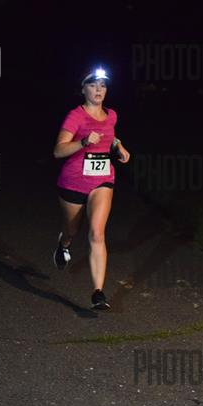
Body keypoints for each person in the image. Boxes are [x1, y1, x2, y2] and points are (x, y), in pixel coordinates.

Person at [52, 67, 130, 310]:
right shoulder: (75, 116)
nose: (99, 90)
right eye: (93, 85)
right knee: (71, 230)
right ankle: (63, 245)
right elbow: (58, 150)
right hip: (73, 181)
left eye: (103, 86)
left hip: (102, 180)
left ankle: (98, 293)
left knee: (97, 232)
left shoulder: (112, 115)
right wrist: (84, 142)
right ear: (83, 89)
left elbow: (110, 135)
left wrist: (119, 146)